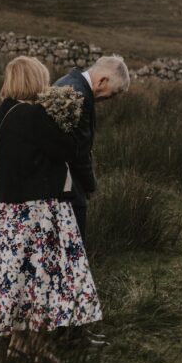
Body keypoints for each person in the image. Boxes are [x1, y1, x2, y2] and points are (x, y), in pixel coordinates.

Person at [0, 56, 102, 361]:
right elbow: (69, 149)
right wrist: (68, 118)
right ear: (34, 81)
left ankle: (18, 343)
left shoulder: (5, 112)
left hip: (11, 210)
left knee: (20, 279)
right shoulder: (34, 116)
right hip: (39, 212)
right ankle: (36, 345)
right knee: (43, 279)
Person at [54, 55, 130, 240]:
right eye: (112, 93)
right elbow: (79, 151)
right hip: (67, 186)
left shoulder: (65, 81)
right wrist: (90, 186)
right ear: (102, 80)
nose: (109, 99)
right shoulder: (80, 95)